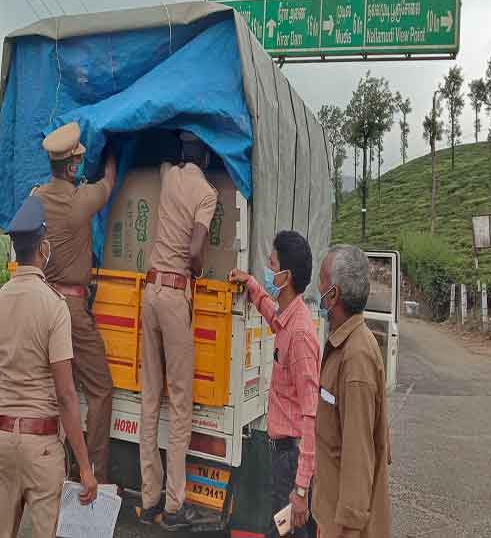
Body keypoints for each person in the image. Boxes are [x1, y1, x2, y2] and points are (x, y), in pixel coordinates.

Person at [0, 196, 98, 538]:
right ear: (44, 247)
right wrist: (85, 468)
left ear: (16, 250)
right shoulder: (54, 307)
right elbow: (65, 395)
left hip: (4, 440)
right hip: (42, 446)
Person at [139, 132, 218, 531]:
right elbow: (194, 251)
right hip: (173, 297)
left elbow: (162, 162)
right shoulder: (207, 193)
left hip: (148, 292)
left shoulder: (168, 176)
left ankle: (149, 498)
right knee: (180, 403)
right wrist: (199, 270)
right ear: (205, 154)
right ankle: (174, 505)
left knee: (150, 398)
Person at [34, 121, 117, 484]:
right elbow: (110, 183)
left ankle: (53, 465)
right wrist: (114, 147)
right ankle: (91, 469)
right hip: (70, 310)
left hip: (41, 302)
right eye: (79, 161)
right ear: (71, 166)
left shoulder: (35, 197)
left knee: (51, 389)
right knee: (99, 389)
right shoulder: (80, 200)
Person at [229, 230, 320, 538]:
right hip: (284, 457)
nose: (268, 270)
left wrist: (300, 487)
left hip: (292, 461)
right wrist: (253, 287)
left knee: (287, 532)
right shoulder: (288, 319)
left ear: (286, 276)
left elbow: (311, 414)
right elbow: (272, 316)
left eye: (271, 264)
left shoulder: (300, 335)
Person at [313, 244, 392, 538]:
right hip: (330, 515)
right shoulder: (344, 344)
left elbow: (358, 456)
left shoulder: (356, 358)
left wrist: (346, 528)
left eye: (321, 279)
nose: (316, 286)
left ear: (332, 295)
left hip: (345, 527)